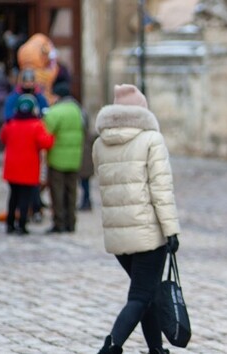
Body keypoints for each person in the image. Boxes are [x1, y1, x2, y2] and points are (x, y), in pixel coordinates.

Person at [94, 84, 180, 354]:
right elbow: (161, 191)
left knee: (149, 294)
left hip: (119, 236)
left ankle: (157, 350)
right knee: (141, 296)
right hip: (147, 233)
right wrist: (171, 231)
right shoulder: (151, 140)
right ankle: (111, 347)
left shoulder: (100, 143)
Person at [0, 94, 55, 235]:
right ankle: (22, 225)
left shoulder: (10, 124)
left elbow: (3, 138)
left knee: (13, 196)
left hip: (12, 166)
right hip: (28, 167)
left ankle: (10, 224)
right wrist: (53, 136)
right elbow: (45, 143)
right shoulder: (36, 125)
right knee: (25, 197)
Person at [43, 83, 85, 233]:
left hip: (57, 159)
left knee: (57, 192)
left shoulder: (55, 111)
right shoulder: (78, 110)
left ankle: (59, 223)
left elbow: (46, 132)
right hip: (74, 158)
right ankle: (71, 223)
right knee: (72, 191)